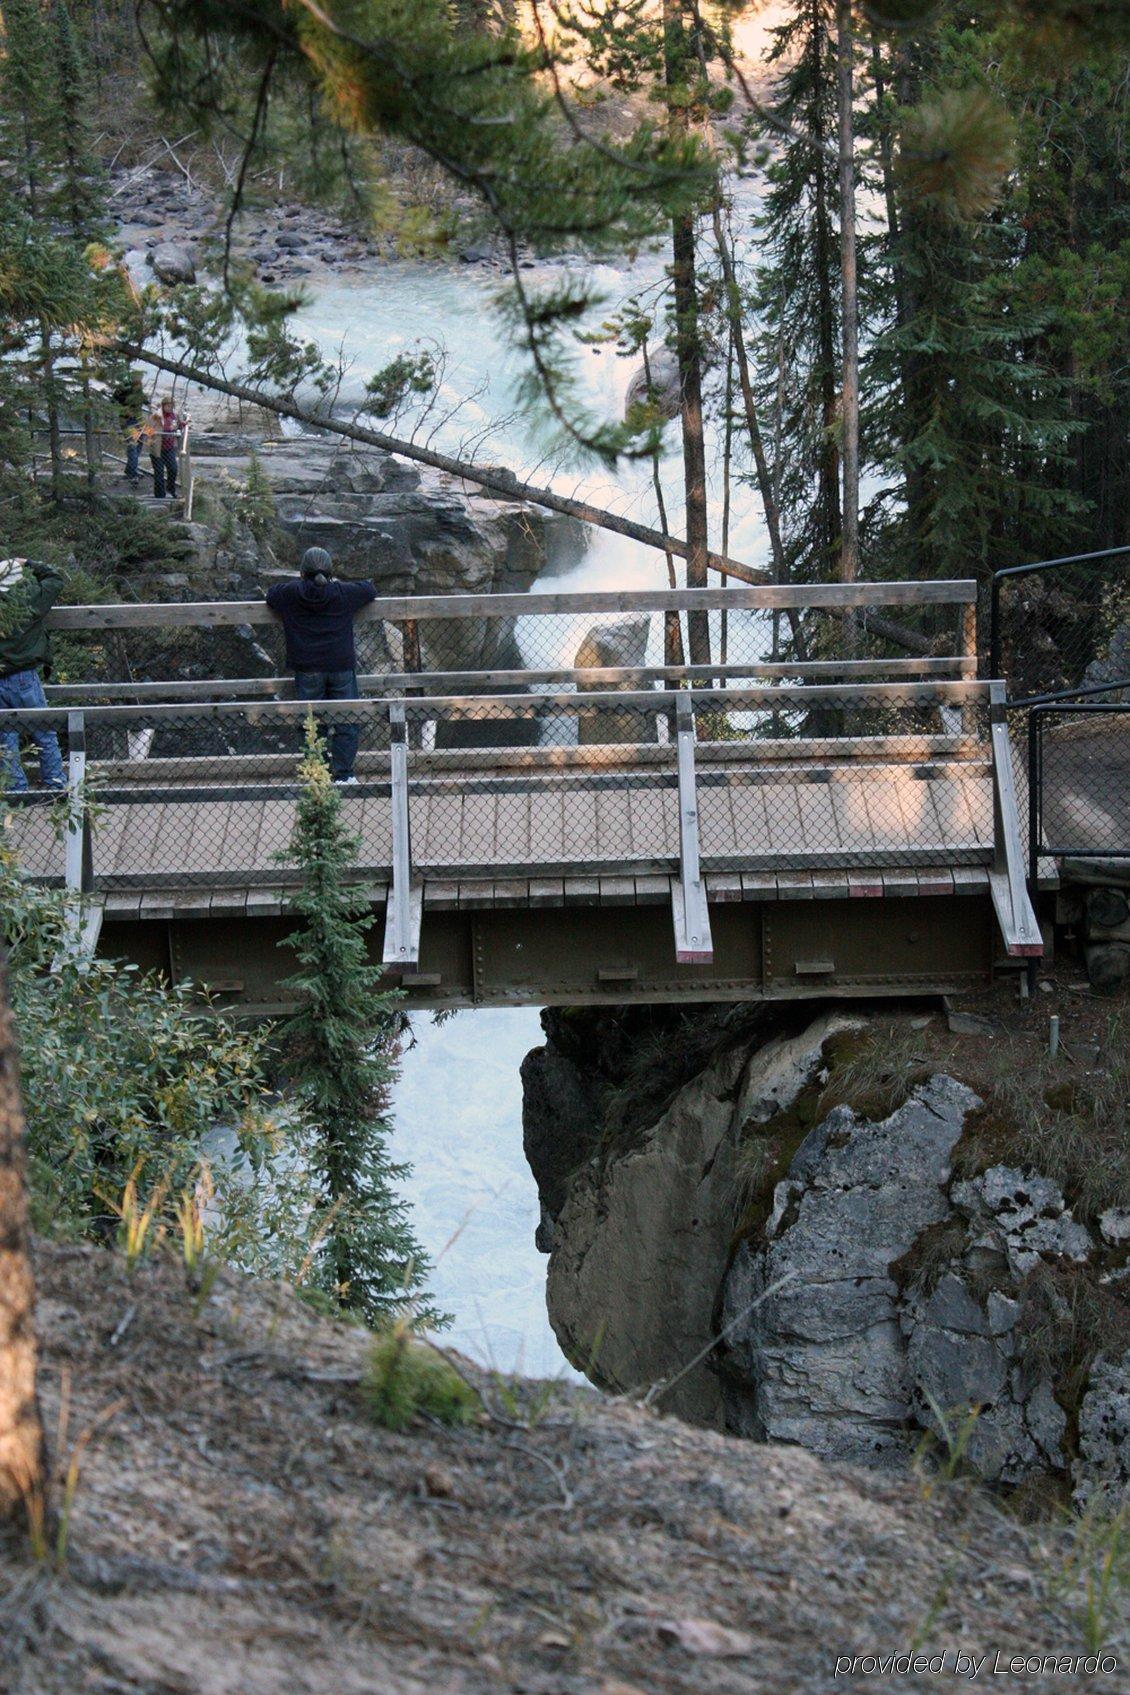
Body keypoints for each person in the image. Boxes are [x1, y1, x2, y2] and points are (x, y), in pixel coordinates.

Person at [266, 547, 377, 783]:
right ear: (329, 572)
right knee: (346, 719)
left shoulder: (291, 593)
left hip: (307, 668)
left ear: (302, 572)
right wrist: (336, 582)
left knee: (311, 723)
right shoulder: (342, 592)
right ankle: (344, 775)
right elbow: (369, 589)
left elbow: (271, 595)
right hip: (340, 666)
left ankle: (318, 773)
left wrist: (297, 584)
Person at [0, 557, 66, 793]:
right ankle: (55, 784)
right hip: (23, 677)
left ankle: (16, 790)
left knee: (5, 738)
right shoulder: (29, 599)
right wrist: (27, 562)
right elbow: (55, 578)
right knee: (44, 731)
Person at [147, 394, 188, 498]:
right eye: (168, 406)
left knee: (173, 469)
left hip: (169, 448)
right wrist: (159, 433)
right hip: (157, 449)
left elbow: (177, 425)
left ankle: (171, 488)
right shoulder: (156, 416)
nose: (169, 408)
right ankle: (160, 495)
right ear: (163, 406)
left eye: (171, 406)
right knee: (159, 472)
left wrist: (183, 424)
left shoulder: (174, 416)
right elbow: (149, 429)